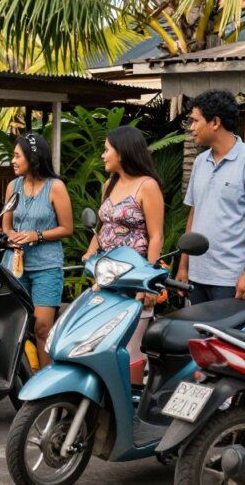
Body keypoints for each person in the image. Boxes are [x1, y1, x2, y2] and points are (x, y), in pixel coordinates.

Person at [81, 126, 164, 378]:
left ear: (123, 152)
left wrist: (147, 283)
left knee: (130, 350)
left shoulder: (147, 186)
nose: (103, 155)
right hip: (106, 275)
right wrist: (89, 253)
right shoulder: (110, 184)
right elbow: (103, 225)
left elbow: (156, 235)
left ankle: (132, 407)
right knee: (100, 342)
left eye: (107, 150)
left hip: (134, 276)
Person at [176, 90, 245, 303]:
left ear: (215, 122)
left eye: (195, 121)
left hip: (233, 280)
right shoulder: (200, 162)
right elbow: (194, 214)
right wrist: (183, 266)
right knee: (197, 335)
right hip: (197, 277)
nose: (191, 128)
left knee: (225, 337)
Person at [2, 133, 73, 369]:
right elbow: (6, 223)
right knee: (15, 327)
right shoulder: (13, 186)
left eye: (16, 156)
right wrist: (10, 236)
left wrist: (37, 235)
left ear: (32, 158)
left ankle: (46, 384)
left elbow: (67, 228)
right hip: (15, 265)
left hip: (46, 266)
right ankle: (19, 381)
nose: (12, 160)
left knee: (42, 327)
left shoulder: (56, 187)